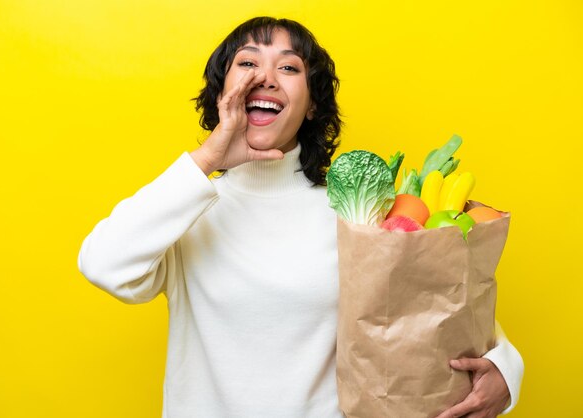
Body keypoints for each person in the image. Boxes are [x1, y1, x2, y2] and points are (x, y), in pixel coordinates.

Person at [77, 16, 523, 418]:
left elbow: (436, 309)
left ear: (311, 105)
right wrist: (209, 156)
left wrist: (507, 371)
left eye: (288, 68)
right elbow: (103, 265)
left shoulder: (355, 214)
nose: (266, 78)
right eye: (248, 64)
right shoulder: (186, 208)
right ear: (222, 93)